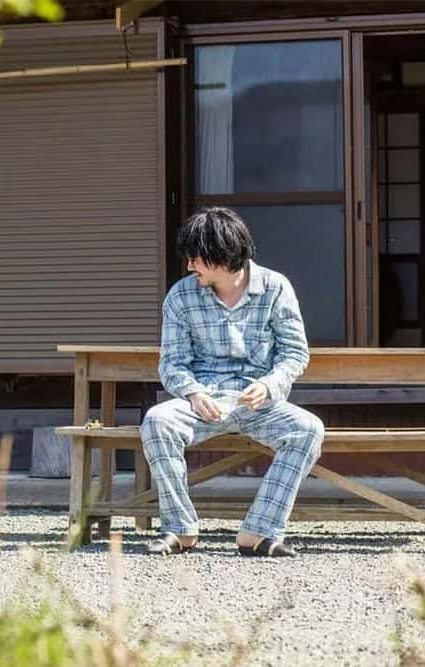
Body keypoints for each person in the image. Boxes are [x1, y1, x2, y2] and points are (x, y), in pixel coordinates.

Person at [142, 206, 324, 558]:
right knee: (157, 421)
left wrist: (270, 385)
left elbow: (295, 354)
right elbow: (172, 364)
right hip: (203, 401)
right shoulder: (181, 296)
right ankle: (180, 529)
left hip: (257, 402)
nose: (189, 266)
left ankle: (259, 531)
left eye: (196, 258)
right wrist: (192, 393)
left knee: (309, 429)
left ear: (221, 255)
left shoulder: (275, 288)